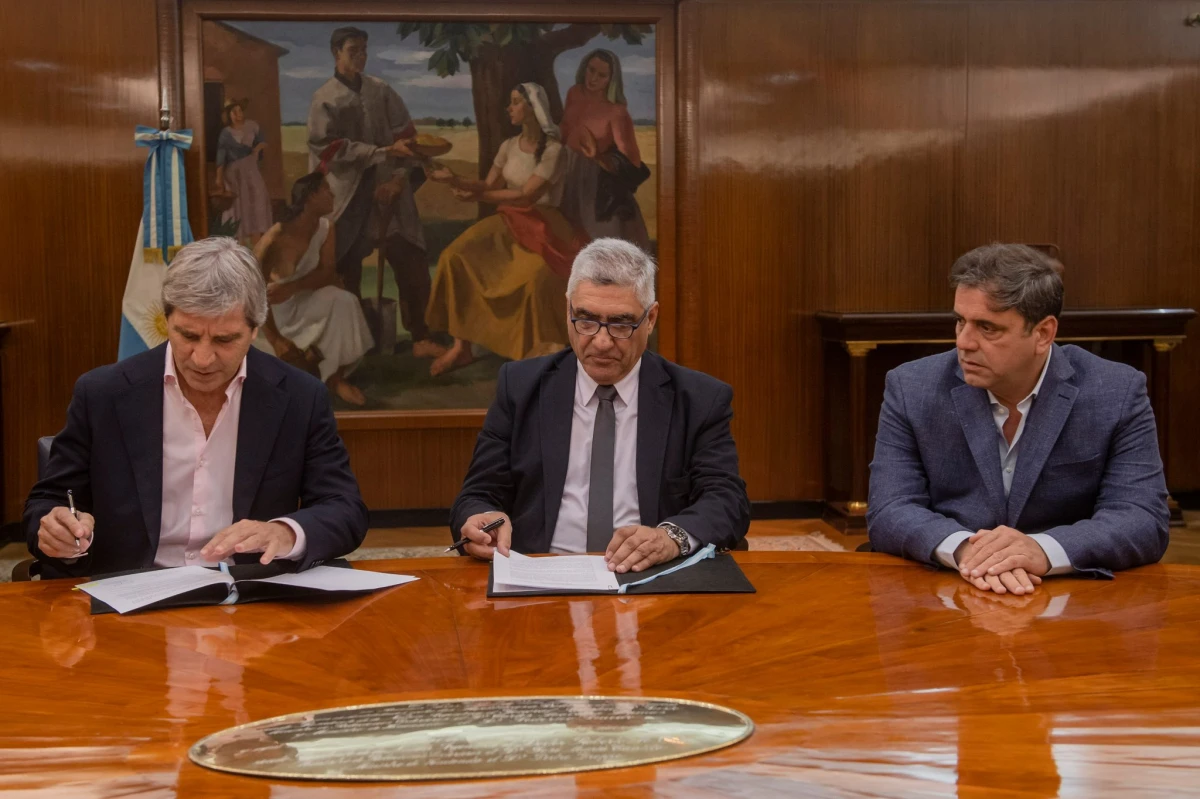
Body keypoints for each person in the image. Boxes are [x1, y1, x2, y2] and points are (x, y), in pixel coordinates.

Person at [24, 237, 369, 579]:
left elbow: (344, 508)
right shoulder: (103, 394)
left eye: (224, 339)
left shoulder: (300, 397)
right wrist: (56, 531)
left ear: (255, 329)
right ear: (167, 320)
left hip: (250, 598)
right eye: (188, 336)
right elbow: (50, 500)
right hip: (131, 598)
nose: (203, 359)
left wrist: (285, 533)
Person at [867, 243, 1169, 591]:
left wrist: (1042, 550)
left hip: (1069, 597)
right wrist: (967, 550)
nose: (964, 342)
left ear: (1043, 333)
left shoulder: (1115, 391)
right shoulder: (911, 386)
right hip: (948, 588)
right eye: (960, 321)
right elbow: (890, 508)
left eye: (987, 328)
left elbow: (1142, 518)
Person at [449, 238, 751, 573]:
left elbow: (727, 500)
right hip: (541, 574)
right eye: (586, 321)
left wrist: (670, 539)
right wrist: (481, 518)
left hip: (650, 576)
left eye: (621, 324)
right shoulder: (520, 387)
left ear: (650, 319)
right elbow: (477, 494)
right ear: (568, 310)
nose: (602, 342)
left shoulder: (699, 399)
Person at [424, 82, 588, 377]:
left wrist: (476, 195)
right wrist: (454, 180)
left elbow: (526, 196)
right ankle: (461, 347)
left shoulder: (554, 151)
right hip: (509, 221)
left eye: (515, 102)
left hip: (545, 225)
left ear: (532, 108)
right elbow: (488, 186)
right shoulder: (508, 146)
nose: (509, 108)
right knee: (454, 255)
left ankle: (532, 355)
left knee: (535, 280)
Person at [306, 26, 444, 359]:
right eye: (353, 50)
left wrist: (398, 179)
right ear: (336, 53)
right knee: (345, 268)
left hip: (391, 192)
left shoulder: (382, 91)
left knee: (410, 260)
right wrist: (381, 153)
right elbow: (328, 149)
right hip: (348, 197)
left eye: (364, 50)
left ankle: (421, 337)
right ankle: (350, 344)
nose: (361, 56)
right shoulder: (325, 98)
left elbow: (408, 140)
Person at [253, 172, 374, 407]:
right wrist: (276, 339)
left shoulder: (326, 228)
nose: (333, 194)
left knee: (344, 300)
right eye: (326, 190)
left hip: (304, 300)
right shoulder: (276, 236)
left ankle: (334, 378)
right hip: (273, 314)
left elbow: (327, 272)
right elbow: (252, 291)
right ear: (310, 197)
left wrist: (293, 287)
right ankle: (302, 369)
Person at [559, 49, 652, 252]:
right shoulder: (574, 93)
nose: (593, 79)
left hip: (597, 184)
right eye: (591, 70)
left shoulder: (616, 111)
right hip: (567, 175)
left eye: (602, 75)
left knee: (599, 245)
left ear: (612, 79)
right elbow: (565, 129)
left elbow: (632, 163)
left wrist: (598, 157)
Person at [214, 99, 273, 245]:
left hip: (251, 169)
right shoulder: (225, 133)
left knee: (257, 199)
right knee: (238, 205)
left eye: (239, 111)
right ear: (229, 115)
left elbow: (263, 141)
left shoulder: (252, 126)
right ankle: (238, 245)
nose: (237, 114)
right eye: (233, 112)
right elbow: (221, 157)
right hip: (234, 173)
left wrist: (257, 149)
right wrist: (219, 178)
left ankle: (258, 244)